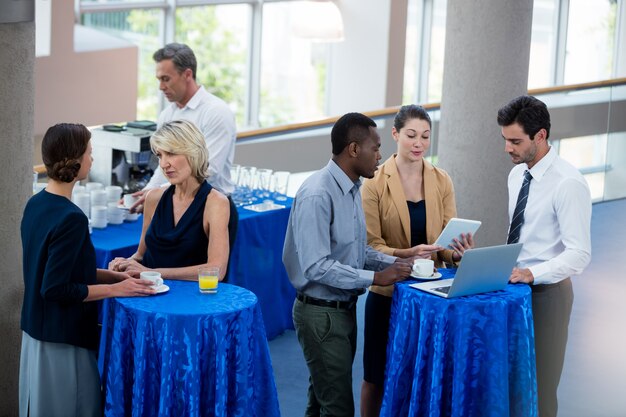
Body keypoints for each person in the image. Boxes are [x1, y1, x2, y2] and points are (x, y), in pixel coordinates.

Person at [282, 112, 413, 417]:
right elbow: (317, 266)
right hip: (320, 315)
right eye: (376, 148)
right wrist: (377, 278)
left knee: (321, 402)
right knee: (338, 408)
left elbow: (356, 250)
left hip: (341, 311)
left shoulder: (352, 188)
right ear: (354, 149)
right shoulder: (318, 193)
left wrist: (401, 261)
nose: (381, 155)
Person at [19, 123, 155, 417]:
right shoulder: (72, 218)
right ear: (75, 159)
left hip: (35, 333)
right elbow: (55, 289)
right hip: (61, 339)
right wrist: (116, 290)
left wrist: (114, 275)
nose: (92, 160)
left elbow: (62, 270)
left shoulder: (36, 204)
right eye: (90, 153)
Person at [359, 104, 474, 416]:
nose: (418, 143)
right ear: (395, 134)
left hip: (429, 296)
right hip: (387, 293)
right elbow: (371, 246)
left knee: (420, 374)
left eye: (425, 136)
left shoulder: (442, 180)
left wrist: (457, 253)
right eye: (411, 135)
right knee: (376, 375)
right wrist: (406, 255)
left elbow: (445, 245)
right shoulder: (374, 182)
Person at [497, 95, 592, 417]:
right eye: (505, 140)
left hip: (548, 295)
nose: (508, 148)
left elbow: (579, 254)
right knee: (510, 379)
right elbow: (522, 235)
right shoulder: (516, 175)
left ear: (540, 136)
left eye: (515, 141)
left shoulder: (568, 183)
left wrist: (532, 274)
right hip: (514, 290)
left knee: (541, 387)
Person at [127, 43, 238, 263]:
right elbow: (163, 165)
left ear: (187, 74)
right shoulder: (167, 114)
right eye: (158, 79)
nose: (160, 86)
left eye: (165, 79)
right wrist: (148, 193)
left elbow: (209, 170)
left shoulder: (216, 111)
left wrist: (161, 193)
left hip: (208, 205)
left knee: (205, 281)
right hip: (174, 200)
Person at [109, 120, 231, 281]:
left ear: (193, 153)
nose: (164, 164)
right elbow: (141, 255)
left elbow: (217, 270)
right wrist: (124, 264)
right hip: (149, 293)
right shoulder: (154, 197)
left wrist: (152, 273)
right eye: (160, 155)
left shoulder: (216, 203)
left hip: (191, 299)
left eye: (171, 153)